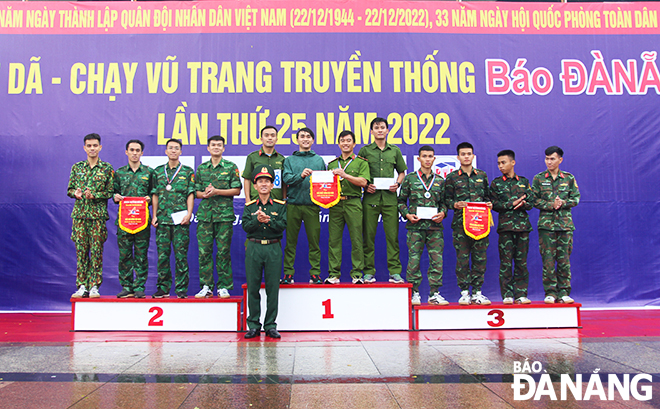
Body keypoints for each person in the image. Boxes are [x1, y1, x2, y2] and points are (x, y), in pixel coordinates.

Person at [358, 117, 407, 283]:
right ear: (371, 131)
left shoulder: (395, 151)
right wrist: (365, 186)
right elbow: (359, 174)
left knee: (392, 237)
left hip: (390, 199)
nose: (379, 130)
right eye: (376, 128)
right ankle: (368, 272)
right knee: (368, 237)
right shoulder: (365, 151)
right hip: (370, 198)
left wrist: (397, 184)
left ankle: (394, 272)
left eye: (382, 127)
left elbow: (401, 172)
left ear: (387, 131)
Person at [398, 146, 448, 305]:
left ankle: (434, 293)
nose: (427, 159)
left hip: (435, 229)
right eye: (424, 156)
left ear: (434, 159)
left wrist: (443, 213)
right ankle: (414, 293)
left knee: (436, 261)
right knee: (413, 260)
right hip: (415, 228)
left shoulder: (440, 180)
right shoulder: (410, 178)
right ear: (418, 159)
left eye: (430, 156)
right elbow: (400, 201)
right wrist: (406, 214)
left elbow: (444, 203)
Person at [444, 142, 492, 305]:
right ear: (458, 157)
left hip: (480, 224)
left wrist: (489, 204)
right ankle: (464, 292)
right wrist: (455, 205)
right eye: (463, 154)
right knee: (462, 259)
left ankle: (477, 292)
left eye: (469, 153)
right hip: (460, 225)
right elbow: (446, 200)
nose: (466, 156)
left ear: (473, 156)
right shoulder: (452, 177)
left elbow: (487, 197)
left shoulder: (482, 176)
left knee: (480, 258)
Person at [242, 165, 287, 339]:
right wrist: (256, 219)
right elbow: (246, 226)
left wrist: (268, 221)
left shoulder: (280, 205)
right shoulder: (249, 206)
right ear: (255, 185)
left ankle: (270, 325)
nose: (263, 184)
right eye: (260, 181)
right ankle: (253, 324)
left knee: (272, 288)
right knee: (253, 287)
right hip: (254, 247)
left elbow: (282, 226)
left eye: (267, 181)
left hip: (273, 247)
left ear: (272, 185)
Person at [194, 135, 242, 299]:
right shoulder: (201, 168)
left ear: (223, 148)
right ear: (208, 148)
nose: (216, 147)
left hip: (224, 217)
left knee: (223, 252)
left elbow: (237, 190)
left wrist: (217, 191)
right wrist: (205, 194)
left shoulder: (230, 167)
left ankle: (223, 286)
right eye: (213, 145)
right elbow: (195, 192)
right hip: (205, 217)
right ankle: (206, 286)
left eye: (219, 145)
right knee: (204, 252)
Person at [68, 133, 114, 298]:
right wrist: (76, 193)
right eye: (89, 145)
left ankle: (94, 285)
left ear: (100, 147)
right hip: (80, 216)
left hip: (97, 217)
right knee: (81, 251)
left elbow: (110, 192)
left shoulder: (107, 168)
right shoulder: (77, 167)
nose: (92, 148)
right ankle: (81, 285)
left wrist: (94, 195)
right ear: (84, 148)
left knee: (96, 251)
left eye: (95, 145)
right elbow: (70, 189)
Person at [532, 146, 580, 304]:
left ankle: (564, 291)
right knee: (548, 260)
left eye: (552, 159)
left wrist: (563, 202)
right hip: (546, 227)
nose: (549, 162)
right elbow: (534, 200)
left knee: (564, 260)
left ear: (560, 160)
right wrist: (550, 204)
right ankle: (551, 292)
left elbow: (576, 199)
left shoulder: (569, 178)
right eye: (547, 158)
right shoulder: (539, 178)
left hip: (564, 226)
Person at [281, 127, 326, 284]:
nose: (305, 139)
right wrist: (300, 176)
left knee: (314, 242)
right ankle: (288, 274)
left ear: (313, 140)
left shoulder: (318, 160)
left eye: (308, 136)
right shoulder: (289, 160)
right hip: (293, 205)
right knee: (290, 243)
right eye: (302, 136)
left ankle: (315, 274)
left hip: (312, 206)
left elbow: (324, 184)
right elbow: (286, 179)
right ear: (297, 140)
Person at [151, 139, 195, 299]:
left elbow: (191, 194)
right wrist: (154, 215)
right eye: (170, 148)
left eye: (177, 148)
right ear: (166, 151)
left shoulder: (187, 171)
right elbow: (154, 194)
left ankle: (181, 289)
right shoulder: (157, 172)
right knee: (162, 256)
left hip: (180, 221)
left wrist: (189, 214)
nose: (173, 151)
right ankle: (163, 288)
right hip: (162, 220)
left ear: (181, 151)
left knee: (181, 256)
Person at [325, 130, 370, 284]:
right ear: (338, 144)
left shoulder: (361, 162)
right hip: (335, 204)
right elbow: (325, 185)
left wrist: (345, 175)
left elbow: (364, 182)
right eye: (342, 140)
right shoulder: (331, 164)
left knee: (357, 239)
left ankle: (357, 274)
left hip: (354, 203)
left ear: (354, 143)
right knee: (334, 240)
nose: (345, 143)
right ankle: (333, 274)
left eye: (348, 140)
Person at [490, 150, 533, 305]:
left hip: (522, 228)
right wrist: (510, 204)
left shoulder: (523, 181)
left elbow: (531, 201)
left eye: (504, 162)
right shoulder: (496, 183)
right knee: (506, 263)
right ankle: (507, 294)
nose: (501, 166)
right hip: (506, 228)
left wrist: (524, 203)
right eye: (499, 163)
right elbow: (493, 204)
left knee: (521, 262)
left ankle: (521, 294)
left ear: (512, 163)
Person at [113, 139, 154, 299]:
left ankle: (139, 287)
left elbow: (154, 193)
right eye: (132, 150)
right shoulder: (119, 173)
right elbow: (114, 193)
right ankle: (126, 287)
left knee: (141, 255)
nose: (135, 153)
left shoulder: (149, 173)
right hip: (124, 222)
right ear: (126, 152)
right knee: (124, 255)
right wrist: (115, 197)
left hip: (142, 222)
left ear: (142, 153)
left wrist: (149, 198)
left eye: (138, 150)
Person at [243, 125, 286, 202]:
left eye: (272, 135)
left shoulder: (281, 159)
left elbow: (284, 182)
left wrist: (284, 198)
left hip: (277, 201)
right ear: (261, 139)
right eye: (266, 135)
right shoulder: (252, 157)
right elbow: (247, 179)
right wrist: (247, 199)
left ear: (276, 139)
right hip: (256, 200)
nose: (270, 138)